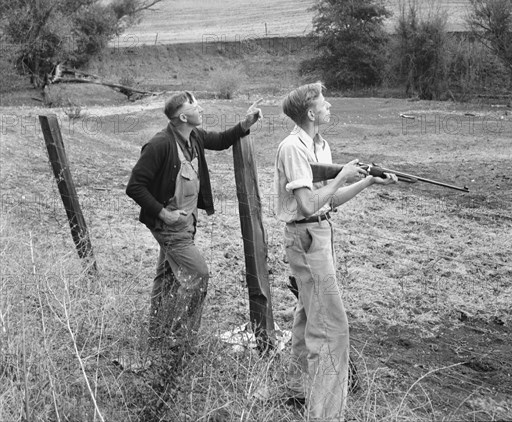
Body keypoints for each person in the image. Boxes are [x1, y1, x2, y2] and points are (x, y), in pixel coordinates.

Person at [274, 82, 397, 421]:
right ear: (310, 113)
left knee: (307, 317)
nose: (329, 106)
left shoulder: (321, 145)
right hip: (307, 237)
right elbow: (308, 202)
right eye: (323, 102)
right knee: (331, 329)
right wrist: (342, 174)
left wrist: (367, 182)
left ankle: (299, 391)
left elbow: (329, 199)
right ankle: (325, 413)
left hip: (319, 232)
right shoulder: (293, 148)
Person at [126, 91, 262, 351]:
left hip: (187, 224)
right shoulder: (160, 145)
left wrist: (246, 123)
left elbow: (221, 140)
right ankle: (181, 342)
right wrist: (163, 213)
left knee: (167, 277)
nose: (201, 109)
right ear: (183, 116)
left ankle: (157, 335)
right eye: (195, 106)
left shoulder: (194, 136)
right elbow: (135, 186)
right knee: (199, 275)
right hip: (169, 226)